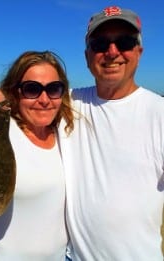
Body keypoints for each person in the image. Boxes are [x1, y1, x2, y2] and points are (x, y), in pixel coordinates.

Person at [58, 5, 164, 261]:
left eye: (124, 42)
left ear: (139, 52)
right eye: (100, 43)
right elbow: (30, 100)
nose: (112, 52)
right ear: (87, 56)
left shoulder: (159, 113)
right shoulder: (66, 104)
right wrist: (1, 100)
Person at [0, 50, 74, 261]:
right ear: (16, 92)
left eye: (54, 88)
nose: (44, 99)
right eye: (32, 89)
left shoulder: (67, 135)